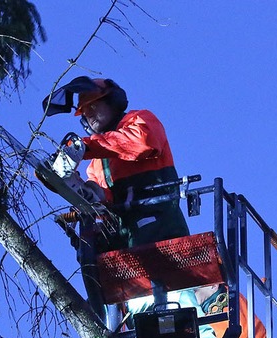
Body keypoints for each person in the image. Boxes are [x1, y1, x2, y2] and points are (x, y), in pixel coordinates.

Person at [44, 76, 189, 249]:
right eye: (84, 111)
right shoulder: (96, 163)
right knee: (92, 247)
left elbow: (142, 142)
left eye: (93, 105)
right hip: (127, 234)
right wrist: (74, 186)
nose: (88, 113)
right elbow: (101, 200)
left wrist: (84, 147)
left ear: (113, 101)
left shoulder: (140, 120)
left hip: (159, 221)